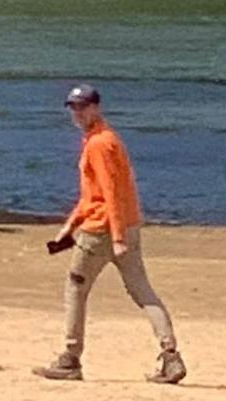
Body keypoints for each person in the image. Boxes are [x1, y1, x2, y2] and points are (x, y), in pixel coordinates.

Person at [34, 84, 186, 384]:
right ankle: (171, 356)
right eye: (73, 107)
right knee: (143, 292)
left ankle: (70, 358)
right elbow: (93, 195)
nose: (77, 113)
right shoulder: (105, 138)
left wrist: (116, 238)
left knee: (75, 289)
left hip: (103, 231)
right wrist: (69, 225)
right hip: (124, 226)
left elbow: (111, 194)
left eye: (82, 107)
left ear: (96, 107)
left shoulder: (99, 144)